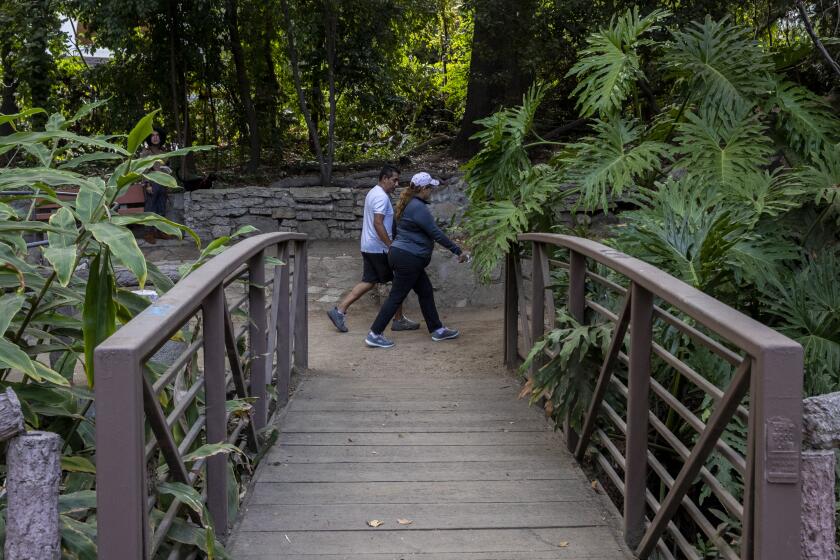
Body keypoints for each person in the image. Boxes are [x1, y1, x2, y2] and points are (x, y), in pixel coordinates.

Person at [365, 171, 466, 349]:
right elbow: (435, 233)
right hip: (409, 259)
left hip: (405, 256)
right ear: (423, 188)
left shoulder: (408, 205)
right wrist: (457, 251)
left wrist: (395, 248)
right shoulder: (418, 207)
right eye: (430, 188)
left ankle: (437, 329)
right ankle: (375, 333)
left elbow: (396, 230)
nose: (431, 192)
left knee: (425, 291)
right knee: (396, 296)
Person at [327, 165, 418, 333]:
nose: (396, 184)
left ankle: (339, 310)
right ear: (384, 178)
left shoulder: (373, 193)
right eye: (394, 180)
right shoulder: (381, 198)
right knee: (398, 281)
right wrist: (390, 245)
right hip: (379, 248)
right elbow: (378, 223)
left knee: (369, 281)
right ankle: (398, 320)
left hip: (369, 246)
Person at [140, 129, 171, 244]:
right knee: (150, 208)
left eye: (157, 135)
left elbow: (167, 169)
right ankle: (149, 233)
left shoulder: (164, 152)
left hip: (163, 183)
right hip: (151, 183)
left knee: (161, 208)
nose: (155, 138)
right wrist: (147, 184)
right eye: (152, 136)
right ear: (149, 138)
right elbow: (143, 170)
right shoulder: (145, 152)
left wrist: (168, 184)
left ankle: (160, 231)